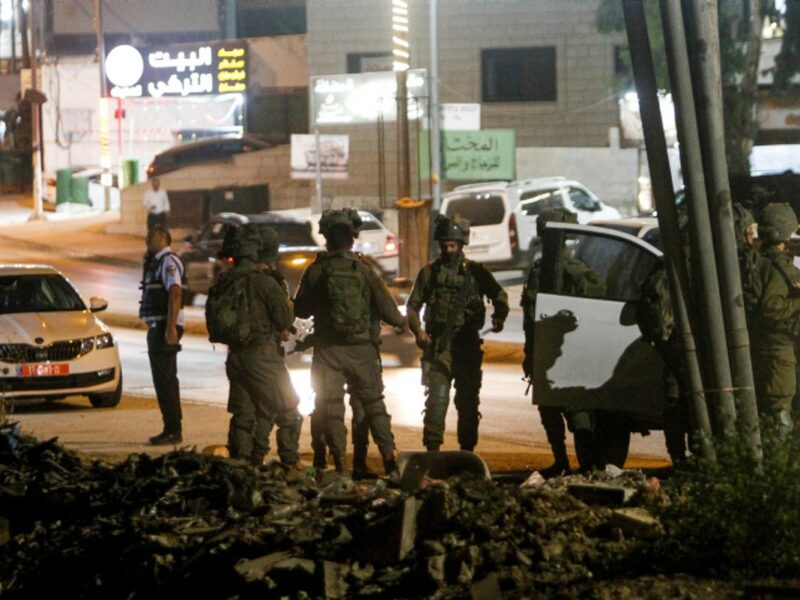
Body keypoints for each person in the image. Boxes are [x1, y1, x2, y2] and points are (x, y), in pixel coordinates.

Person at [294, 208, 405, 477]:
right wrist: (407, 325)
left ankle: (340, 466)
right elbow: (391, 313)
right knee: (374, 406)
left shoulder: (317, 270)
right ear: (352, 240)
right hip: (363, 350)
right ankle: (390, 460)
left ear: (327, 240)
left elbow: (300, 310)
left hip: (328, 351)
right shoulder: (364, 271)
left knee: (331, 406)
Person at [406, 215, 509, 453]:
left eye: (452, 244)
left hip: (468, 346)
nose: (447, 248)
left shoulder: (476, 273)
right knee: (436, 401)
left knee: (468, 403)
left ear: (462, 244)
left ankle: (467, 452)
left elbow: (499, 295)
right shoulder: (429, 273)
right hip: (439, 346)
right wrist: (418, 331)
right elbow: (412, 306)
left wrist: (500, 316)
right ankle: (432, 451)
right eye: (444, 243)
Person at [213, 225, 304, 476]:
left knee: (244, 414)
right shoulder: (265, 283)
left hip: (236, 357)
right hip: (263, 356)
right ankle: (290, 463)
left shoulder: (226, 282)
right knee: (289, 410)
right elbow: (285, 318)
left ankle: (244, 467)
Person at [520, 208, 604, 474]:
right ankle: (562, 462)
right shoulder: (539, 271)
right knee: (549, 410)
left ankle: (588, 465)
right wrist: (529, 354)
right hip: (544, 351)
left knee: (577, 409)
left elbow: (595, 299)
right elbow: (530, 317)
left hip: (569, 352)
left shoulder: (576, 272)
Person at [750, 203, 800, 436]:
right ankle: (775, 466)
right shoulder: (777, 267)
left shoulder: (763, 261)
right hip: (778, 349)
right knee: (779, 409)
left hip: (773, 348)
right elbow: (771, 309)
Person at [139, 225, 186, 445]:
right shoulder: (155, 262)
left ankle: (173, 430)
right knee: (162, 380)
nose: (147, 239)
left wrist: (171, 328)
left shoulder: (168, 261)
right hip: (158, 327)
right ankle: (170, 428)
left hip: (164, 328)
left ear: (162, 238)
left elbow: (175, 293)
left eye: (151, 236)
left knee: (166, 381)